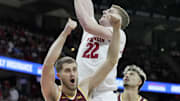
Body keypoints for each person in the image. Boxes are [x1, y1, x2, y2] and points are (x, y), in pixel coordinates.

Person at [40, 15, 123, 101]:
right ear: (59, 75)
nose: (72, 74)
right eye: (67, 71)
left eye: (74, 70)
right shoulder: (54, 93)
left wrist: (116, 28)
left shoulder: (84, 89)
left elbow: (111, 61)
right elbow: (48, 65)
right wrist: (65, 33)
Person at [74, 0, 130, 101]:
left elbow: (87, 24)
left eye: (110, 11)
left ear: (118, 20)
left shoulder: (119, 34)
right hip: (80, 90)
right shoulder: (91, 32)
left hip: (102, 94)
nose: (104, 11)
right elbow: (87, 14)